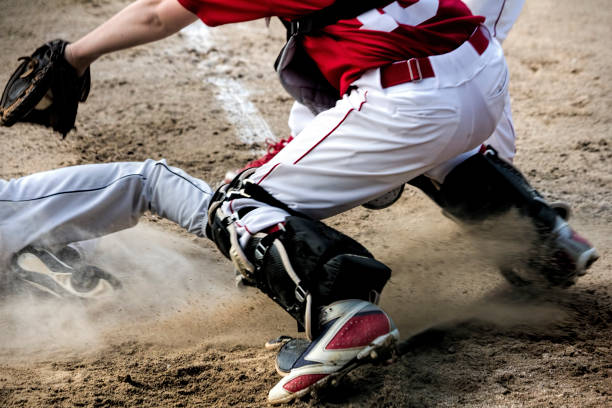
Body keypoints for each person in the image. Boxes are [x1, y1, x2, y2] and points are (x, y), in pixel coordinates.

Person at [0, 0, 599, 404]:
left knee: (239, 202)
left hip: (411, 101)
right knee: (429, 147)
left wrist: (73, 55)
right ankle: (541, 240)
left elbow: (160, 13)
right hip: (480, 78)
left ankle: (343, 313)